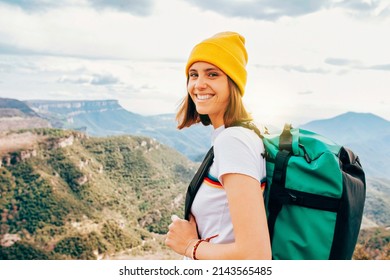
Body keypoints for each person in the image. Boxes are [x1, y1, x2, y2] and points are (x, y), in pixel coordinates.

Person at [165, 31, 271, 260]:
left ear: (233, 83)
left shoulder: (233, 141)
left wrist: (188, 246)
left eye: (212, 74)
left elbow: (256, 255)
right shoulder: (241, 134)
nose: (199, 84)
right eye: (193, 75)